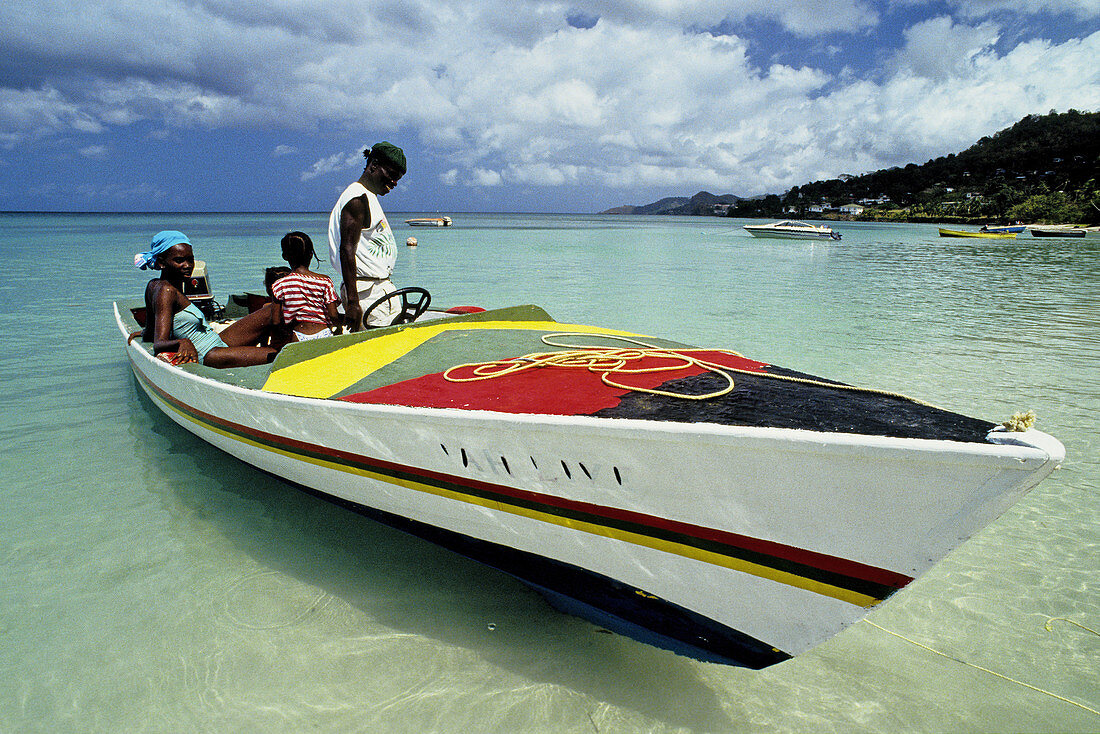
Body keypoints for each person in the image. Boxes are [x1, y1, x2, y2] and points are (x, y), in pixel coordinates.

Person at [133, 231, 281, 367]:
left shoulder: (153, 285)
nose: (188, 266)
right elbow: (159, 343)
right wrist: (182, 342)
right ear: (161, 262)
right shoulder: (166, 291)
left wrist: (144, 333)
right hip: (209, 354)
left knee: (271, 309)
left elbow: (152, 327)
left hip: (217, 340)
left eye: (190, 260)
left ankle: (270, 345)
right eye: (179, 261)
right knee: (278, 356)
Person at [328, 141, 405, 331]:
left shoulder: (369, 197)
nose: (394, 183)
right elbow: (347, 250)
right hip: (366, 292)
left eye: (398, 178)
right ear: (374, 165)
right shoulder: (357, 198)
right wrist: (353, 303)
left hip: (379, 289)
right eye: (392, 175)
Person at [270, 231, 343, 342]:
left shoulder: (279, 285)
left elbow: (275, 322)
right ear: (311, 255)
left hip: (298, 334)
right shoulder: (325, 281)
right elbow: (333, 315)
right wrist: (338, 328)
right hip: (324, 332)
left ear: (285, 256)